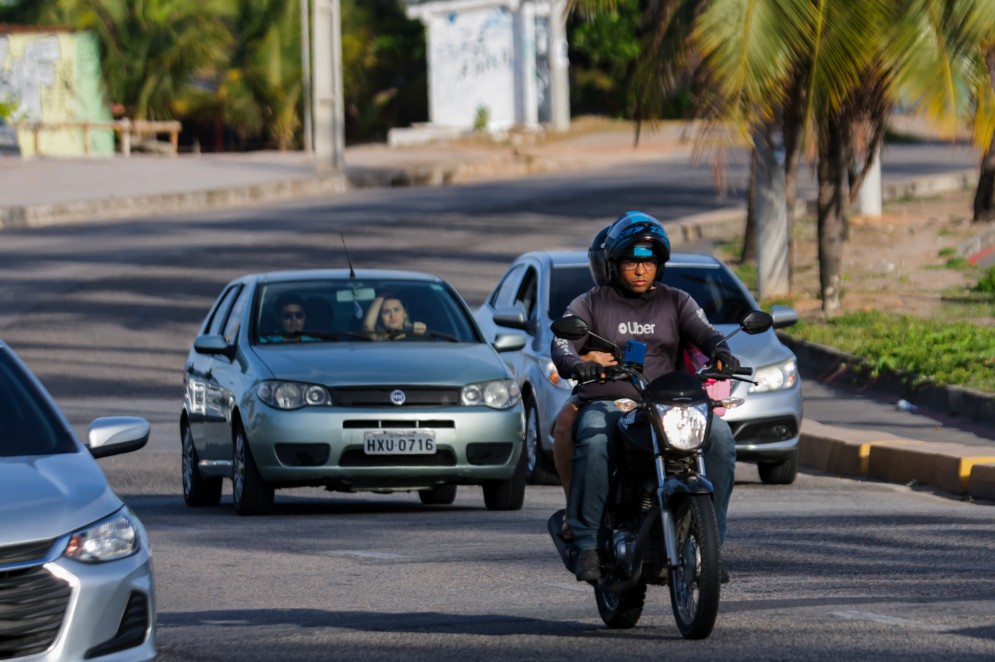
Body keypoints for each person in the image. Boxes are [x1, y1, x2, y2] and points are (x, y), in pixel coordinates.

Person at [551, 211, 741, 584]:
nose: (640, 270)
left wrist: (721, 351)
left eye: (649, 262)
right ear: (614, 264)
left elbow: (707, 333)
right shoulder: (590, 302)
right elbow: (562, 343)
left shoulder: (677, 301)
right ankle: (588, 542)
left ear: (660, 265)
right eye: (632, 261)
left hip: (667, 405)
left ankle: (711, 543)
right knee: (594, 436)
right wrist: (577, 364)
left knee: (719, 438)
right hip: (608, 404)